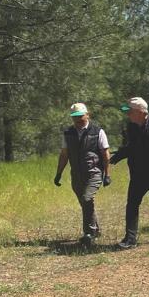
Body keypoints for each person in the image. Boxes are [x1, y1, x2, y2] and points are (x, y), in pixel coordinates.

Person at [110, 97, 149, 249]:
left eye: (130, 112)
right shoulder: (131, 127)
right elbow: (131, 147)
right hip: (138, 174)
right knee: (132, 205)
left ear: (140, 112)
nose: (128, 115)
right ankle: (130, 239)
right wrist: (117, 157)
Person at [54, 103, 111, 247]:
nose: (78, 119)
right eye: (75, 117)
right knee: (85, 203)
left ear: (87, 115)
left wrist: (107, 174)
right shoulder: (68, 133)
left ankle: (88, 234)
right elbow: (64, 155)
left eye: (80, 116)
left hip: (94, 172)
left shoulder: (98, 132)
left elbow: (105, 154)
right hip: (76, 175)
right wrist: (58, 173)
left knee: (87, 199)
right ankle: (95, 230)